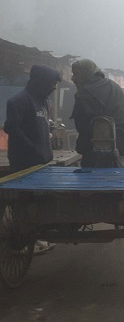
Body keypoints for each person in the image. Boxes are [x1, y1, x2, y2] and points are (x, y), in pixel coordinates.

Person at [3, 64, 60, 254]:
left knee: (38, 201)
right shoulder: (18, 101)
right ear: (41, 82)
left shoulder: (42, 101)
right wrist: (33, 148)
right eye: (51, 83)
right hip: (24, 162)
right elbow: (12, 128)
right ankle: (22, 240)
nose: (53, 87)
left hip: (42, 161)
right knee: (24, 201)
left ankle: (35, 236)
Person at [70, 59, 124, 168]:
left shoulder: (84, 94)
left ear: (87, 73)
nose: (73, 78)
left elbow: (83, 129)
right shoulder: (113, 86)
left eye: (76, 74)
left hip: (98, 156)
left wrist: (82, 148)